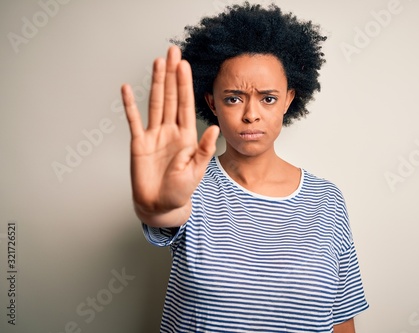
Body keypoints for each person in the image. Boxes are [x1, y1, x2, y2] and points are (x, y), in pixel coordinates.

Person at [121, 2, 368, 332]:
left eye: (267, 98)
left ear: (288, 99)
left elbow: (341, 321)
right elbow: (167, 214)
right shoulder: (185, 185)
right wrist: (156, 208)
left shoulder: (327, 200)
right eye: (233, 98)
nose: (251, 114)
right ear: (212, 102)